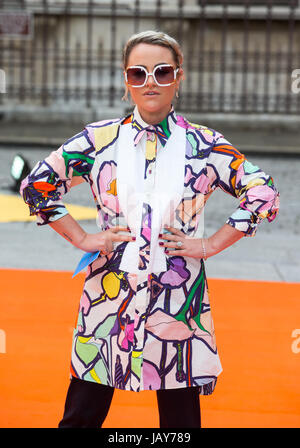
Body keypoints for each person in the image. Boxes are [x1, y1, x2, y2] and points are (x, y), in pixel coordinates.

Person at [20, 30, 279, 428]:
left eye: (161, 72)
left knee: (179, 423)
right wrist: (84, 238)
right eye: (138, 73)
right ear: (127, 80)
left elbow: (262, 191)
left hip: (177, 296)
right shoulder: (98, 140)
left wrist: (209, 245)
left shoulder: (204, 144)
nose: (150, 82)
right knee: (82, 415)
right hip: (108, 295)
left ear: (179, 77)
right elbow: (36, 185)